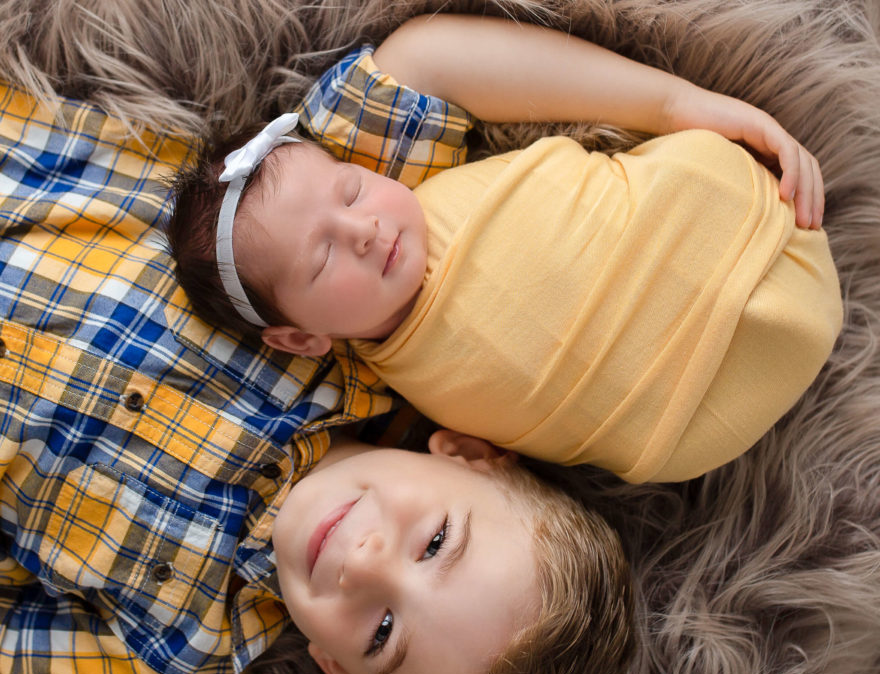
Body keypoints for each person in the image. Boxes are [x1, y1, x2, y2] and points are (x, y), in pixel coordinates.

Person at [0, 16, 632, 674]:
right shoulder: (357, 327)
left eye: (382, 633)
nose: (363, 565)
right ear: (465, 452)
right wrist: (675, 102)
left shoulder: (179, 645)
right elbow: (426, 68)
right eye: (433, 542)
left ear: (340, 672)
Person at [170, 15, 842, 484]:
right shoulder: (381, 400)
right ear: (300, 338)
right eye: (322, 259)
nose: (363, 229)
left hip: (745, 224)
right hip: (688, 424)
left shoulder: (415, 172)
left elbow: (428, 51)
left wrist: (678, 104)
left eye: (351, 192)